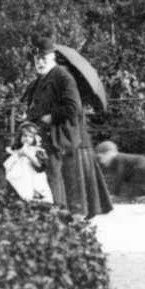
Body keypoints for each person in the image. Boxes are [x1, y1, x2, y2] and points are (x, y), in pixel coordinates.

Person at [25, 42, 114, 217]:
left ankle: (62, 212)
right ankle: (59, 211)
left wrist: (49, 117)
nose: (40, 63)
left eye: (43, 58)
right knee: (54, 173)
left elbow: (74, 108)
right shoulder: (41, 79)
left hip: (62, 133)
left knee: (56, 174)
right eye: (37, 60)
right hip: (47, 133)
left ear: (53, 58)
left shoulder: (63, 76)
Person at [95, 141, 145, 208]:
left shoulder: (118, 158)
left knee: (130, 181)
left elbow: (120, 175)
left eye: (102, 157)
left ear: (109, 153)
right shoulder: (120, 158)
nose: (101, 161)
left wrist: (115, 193)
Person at [3, 123, 53, 203]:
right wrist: (18, 154)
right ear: (20, 137)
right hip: (18, 176)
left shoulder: (37, 151)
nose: (27, 139)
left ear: (35, 138)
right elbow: (7, 165)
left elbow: (40, 166)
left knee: (35, 197)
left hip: (33, 177)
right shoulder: (14, 151)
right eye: (25, 136)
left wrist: (28, 154)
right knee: (17, 194)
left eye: (31, 136)